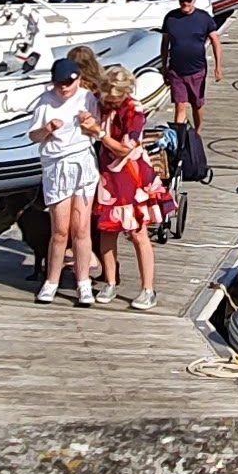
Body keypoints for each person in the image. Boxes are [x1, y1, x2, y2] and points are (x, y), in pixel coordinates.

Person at [91, 65, 167, 312]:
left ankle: (148, 288)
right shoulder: (100, 101)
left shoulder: (134, 110)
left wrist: (100, 134)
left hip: (130, 174)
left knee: (137, 232)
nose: (110, 102)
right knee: (107, 230)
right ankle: (110, 281)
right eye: (108, 98)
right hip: (107, 175)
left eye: (115, 98)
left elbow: (125, 148)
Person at [29, 56, 102, 306]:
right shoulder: (45, 101)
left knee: (81, 228)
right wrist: (47, 128)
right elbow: (34, 136)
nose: (64, 89)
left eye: (69, 84)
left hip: (82, 164)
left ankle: (83, 283)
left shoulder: (87, 98)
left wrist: (90, 124)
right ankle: (51, 281)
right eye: (60, 84)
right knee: (60, 230)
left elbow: (98, 130)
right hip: (56, 167)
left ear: (78, 80)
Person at [159, 0, 222, 142]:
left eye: (188, 0)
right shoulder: (171, 18)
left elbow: (215, 41)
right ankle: (179, 140)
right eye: (182, 0)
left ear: (194, 0)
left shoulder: (204, 18)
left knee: (197, 104)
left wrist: (218, 67)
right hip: (176, 70)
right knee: (180, 106)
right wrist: (164, 65)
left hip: (197, 70)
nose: (185, 3)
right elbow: (165, 43)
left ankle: (197, 133)